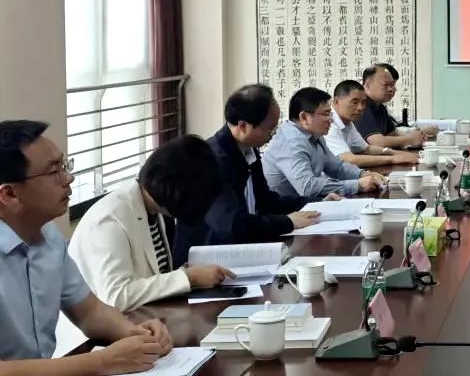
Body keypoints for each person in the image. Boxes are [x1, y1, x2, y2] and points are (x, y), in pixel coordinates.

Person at [0, 120, 172, 373]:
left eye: (64, 166)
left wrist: (136, 333)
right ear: (9, 194)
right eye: (53, 171)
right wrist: (104, 361)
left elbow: (90, 312)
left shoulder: (50, 238)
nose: (68, 178)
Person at [69, 136, 235, 312]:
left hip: (144, 319)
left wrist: (187, 276)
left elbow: (151, 279)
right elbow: (116, 296)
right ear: (179, 192)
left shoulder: (152, 210)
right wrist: (187, 278)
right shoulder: (110, 219)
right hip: (102, 326)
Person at [172, 84, 325, 265]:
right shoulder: (213, 160)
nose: (272, 135)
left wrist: (316, 202)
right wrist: (287, 222)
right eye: (269, 130)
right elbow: (232, 225)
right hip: (207, 259)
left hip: (239, 248)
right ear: (243, 126)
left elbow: (266, 200)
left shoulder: (249, 150)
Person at [263, 87, 384, 200]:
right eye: (326, 114)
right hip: (283, 210)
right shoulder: (291, 141)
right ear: (304, 117)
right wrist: (357, 185)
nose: (331, 119)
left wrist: (362, 174)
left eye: (330, 114)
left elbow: (337, 167)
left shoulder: (314, 135)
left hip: (304, 203)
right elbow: (307, 187)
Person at [327, 80, 419, 168]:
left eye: (363, 102)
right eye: (354, 102)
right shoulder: (328, 123)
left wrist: (400, 154)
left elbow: (366, 149)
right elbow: (349, 160)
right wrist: (393, 159)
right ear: (336, 102)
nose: (360, 108)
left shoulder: (347, 122)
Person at [356, 63, 436, 149]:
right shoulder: (361, 106)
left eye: (392, 85)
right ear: (368, 85)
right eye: (386, 85)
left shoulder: (380, 107)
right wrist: (410, 139)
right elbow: (378, 142)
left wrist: (419, 133)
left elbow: (393, 133)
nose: (391, 89)